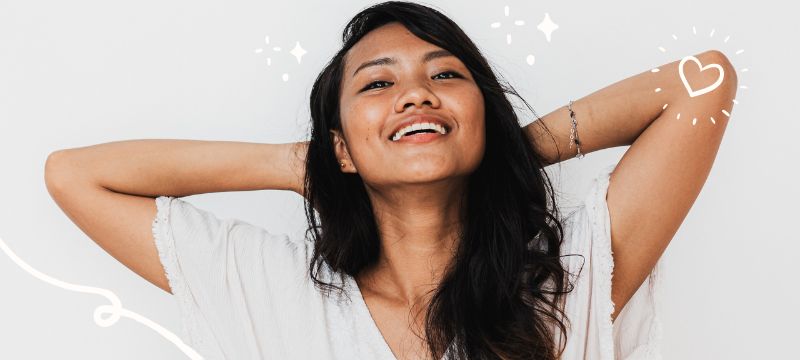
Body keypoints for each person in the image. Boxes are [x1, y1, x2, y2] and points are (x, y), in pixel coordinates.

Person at [43, 1, 737, 359]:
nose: (415, 94)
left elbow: (703, 85)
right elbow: (75, 176)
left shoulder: (568, 280)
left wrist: (499, 151)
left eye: (445, 75)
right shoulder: (271, 292)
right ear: (341, 145)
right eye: (379, 83)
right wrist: (309, 163)